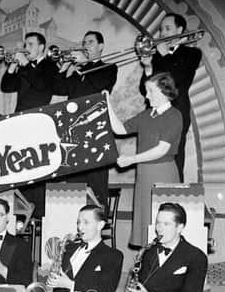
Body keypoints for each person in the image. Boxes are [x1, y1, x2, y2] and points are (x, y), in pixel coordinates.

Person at [106, 72, 182, 247]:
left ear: (164, 91)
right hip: (144, 174)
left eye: (150, 91)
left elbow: (162, 150)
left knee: (162, 220)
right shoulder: (147, 115)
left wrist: (132, 159)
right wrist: (107, 104)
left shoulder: (174, 115)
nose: (146, 96)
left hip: (162, 173)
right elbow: (119, 129)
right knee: (146, 222)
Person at [0, 31, 60, 217]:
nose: (26, 48)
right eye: (25, 45)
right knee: (22, 169)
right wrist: (11, 67)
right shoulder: (26, 68)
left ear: (41, 47)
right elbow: (6, 87)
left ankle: (38, 215)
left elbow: (41, 86)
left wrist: (25, 65)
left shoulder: (50, 66)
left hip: (39, 124)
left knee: (37, 170)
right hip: (21, 124)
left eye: (30, 44)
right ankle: (22, 213)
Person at [57, 31, 118, 207]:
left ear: (101, 46)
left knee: (96, 181)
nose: (85, 45)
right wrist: (64, 70)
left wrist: (85, 64)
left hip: (95, 134)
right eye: (84, 42)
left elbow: (99, 85)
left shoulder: (109, 67)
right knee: (74, 183)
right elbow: (59, 88)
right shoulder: (78, 70)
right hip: (74, 132)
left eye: (90, 42)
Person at [139, 13, 202, 182]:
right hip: (153, 115)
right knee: (149, 158)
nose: (162, 33)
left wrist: (165, 56)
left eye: (167, 28)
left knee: (174, 159)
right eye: (161, 30)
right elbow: (142, 88)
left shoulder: (192, 53)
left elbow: (175, 79)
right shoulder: (157, 56)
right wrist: (148, 68)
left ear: (180, 30)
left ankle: (173, 201)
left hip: (176, 112)